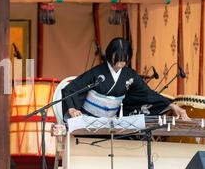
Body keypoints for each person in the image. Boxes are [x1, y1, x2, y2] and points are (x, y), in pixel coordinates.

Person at [62, 37, 190, 121]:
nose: (120, 64)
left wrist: (172, 105)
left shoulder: (130, 76)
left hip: (111, 123)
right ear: (109, 54)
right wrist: (72, 109)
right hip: (88, 120)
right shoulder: (97, 73)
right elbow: (69, 89)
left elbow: (148, 94)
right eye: (116, 60)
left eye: (123, 61)